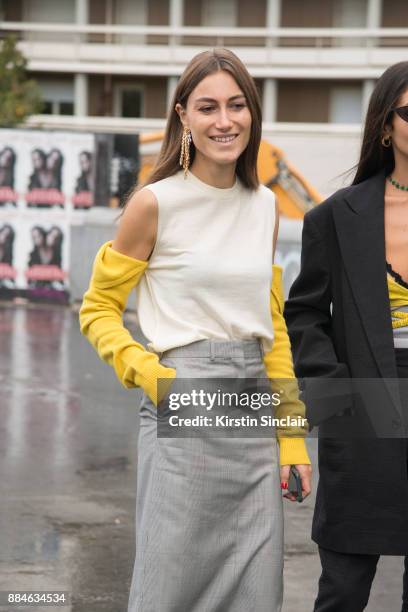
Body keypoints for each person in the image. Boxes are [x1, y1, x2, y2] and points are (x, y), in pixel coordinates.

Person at [79, 48, 311, 612]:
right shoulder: (154, 203)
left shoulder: (264, 206)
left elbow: (272, 329)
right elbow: (98, 308)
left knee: (256, 592)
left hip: (254, 413)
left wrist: (293, 438)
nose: (224, 121)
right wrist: (150, 375)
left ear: (253, 116)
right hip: (182, 401)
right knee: (170, 586)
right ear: (183, 116)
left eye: (237, 106)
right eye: (207, 107)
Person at [285, 60, 408, 612]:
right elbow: (306, 313)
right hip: (364, 409)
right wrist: (333, 401)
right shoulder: (336, 217)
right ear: (386, 126)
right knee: (343, 586)